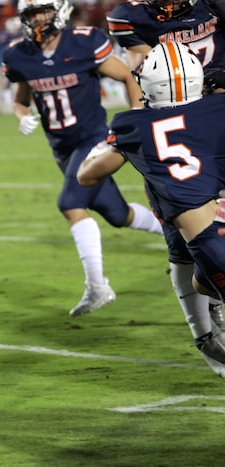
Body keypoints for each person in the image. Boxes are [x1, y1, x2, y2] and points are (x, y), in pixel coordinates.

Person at [2, 0, 165, 317]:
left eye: (42, 11)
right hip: (61, 148)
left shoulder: (84, 41)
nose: (36, 19)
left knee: (70, 204)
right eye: (30, 14)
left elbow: (129, 76)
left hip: (93, 138)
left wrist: (136, 116)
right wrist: (21, 115)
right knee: (118, 215)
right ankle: (176, 235)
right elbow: (21, 98)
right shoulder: (17, 53)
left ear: (59, 10)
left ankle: (97, 286)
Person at [77, 42, 225, 376]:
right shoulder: (218, 109)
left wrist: (103, 148)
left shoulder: (134, 126)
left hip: (205, 244)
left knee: (200, 281)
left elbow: (86, 176)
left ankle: (205, 336)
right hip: (215, 227)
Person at [106, 0, 225, 360]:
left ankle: (213, 294)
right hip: (178, 121)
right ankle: (204, 332)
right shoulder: (129, 16)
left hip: (215, 111)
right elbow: (141, 71)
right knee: (182, 242)